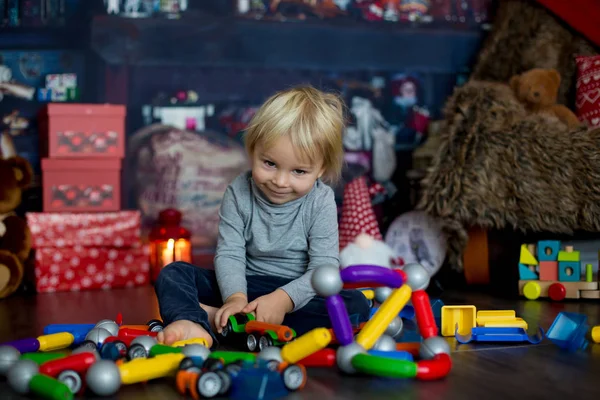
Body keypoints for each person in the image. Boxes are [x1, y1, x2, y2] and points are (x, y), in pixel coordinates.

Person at [154, 85, 371, 348]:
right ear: (253, 149)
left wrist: (282, 299)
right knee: (174, 273)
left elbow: (322, 268)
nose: (280, 181)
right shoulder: (238, 190)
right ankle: (195, 321)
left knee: (355, 304)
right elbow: (230, 253)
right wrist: (235, 298)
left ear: (320, 169)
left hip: (295, 294)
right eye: (269, 164)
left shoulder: (320, 200)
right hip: (244, 287)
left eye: (299, 171)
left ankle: (218, 321)